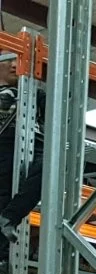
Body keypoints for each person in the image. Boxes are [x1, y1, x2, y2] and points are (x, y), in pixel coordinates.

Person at [0, 52, 43, 260]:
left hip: (32, 143)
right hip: (4, 144)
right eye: (8, 59)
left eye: (18, 60)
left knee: (51, 168)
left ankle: (8, 218)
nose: (14, 65)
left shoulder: (34, 94)